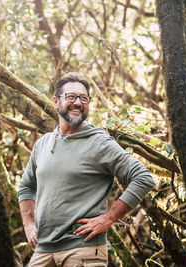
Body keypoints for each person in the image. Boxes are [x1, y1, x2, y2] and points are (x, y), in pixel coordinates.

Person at [17, 72, 155, 266]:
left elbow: (142, 177)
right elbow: (25, 187)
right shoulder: (43, 143)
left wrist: (108, 218)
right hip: (43, 249)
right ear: (56, 101)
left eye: (84, 98)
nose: (78, 103)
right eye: (71, 97)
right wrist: (29, 225)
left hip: (83, 250)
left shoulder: (99, 142)